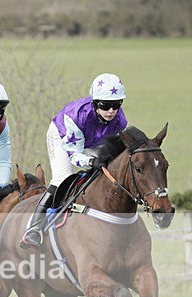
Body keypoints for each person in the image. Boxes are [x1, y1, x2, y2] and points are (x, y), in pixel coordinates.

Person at [21, 73, 129, 248]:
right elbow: (74, 154)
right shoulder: (78, 115)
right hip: (63, 136)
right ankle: (33, 228)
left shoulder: (120, 120)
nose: (111, 111)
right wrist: (91, 162)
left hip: (93, 140)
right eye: (105, 105)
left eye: (116, 105)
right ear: (95, 103)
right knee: (62, 178)